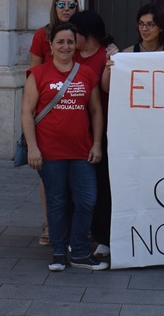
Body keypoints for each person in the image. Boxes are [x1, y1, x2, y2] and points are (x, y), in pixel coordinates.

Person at [21, 22, 106, 271]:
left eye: (70, 42)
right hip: (50, 152)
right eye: (60, 42)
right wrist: (32, 148)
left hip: (81, 150)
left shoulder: (86, 73)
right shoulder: (38, 75)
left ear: (75, 45)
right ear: (51, 45)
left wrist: (97, 143)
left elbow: (96, 111)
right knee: (57, 201)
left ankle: (79, 252)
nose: (65, 46)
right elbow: (26, 112)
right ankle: (59, 252)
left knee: (87, 200)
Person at [28, 0, 81, 247]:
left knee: (75, 176)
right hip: (47, 111)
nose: (66, 8)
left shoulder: (81, 34)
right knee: (48, 176)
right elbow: (33, 72)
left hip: (75, 109)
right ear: (55, 6)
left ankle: (73, 226)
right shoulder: (42, 34)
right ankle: (50, 222)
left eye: (71, 4)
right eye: (61, 3)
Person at [68, 10, 114, 259]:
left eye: (75, 32)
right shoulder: (68, 56)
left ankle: (101, 235)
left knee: (102, 188)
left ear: (87, 34)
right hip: (74, 133)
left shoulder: (109, 56)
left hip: (103, 132)